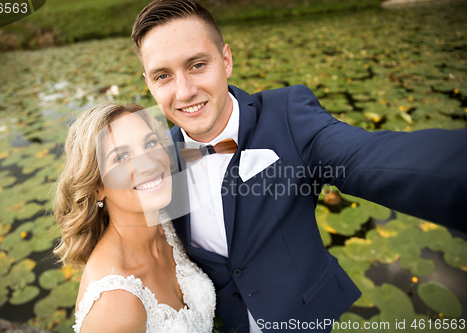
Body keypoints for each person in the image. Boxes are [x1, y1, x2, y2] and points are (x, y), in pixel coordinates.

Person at [131, 0, 467, 332]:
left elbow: (368, 159)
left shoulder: (288, 115)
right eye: (163, 75)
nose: (185, 91)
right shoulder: (161, 159)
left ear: (226, 60)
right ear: (149, 84)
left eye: (197, 65)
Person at [53, 102, 216, 333]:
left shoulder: (168, 221)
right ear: (98, 187)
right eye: (121, 157)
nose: (149, 163)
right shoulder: (115, 302)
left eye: (150, 143)